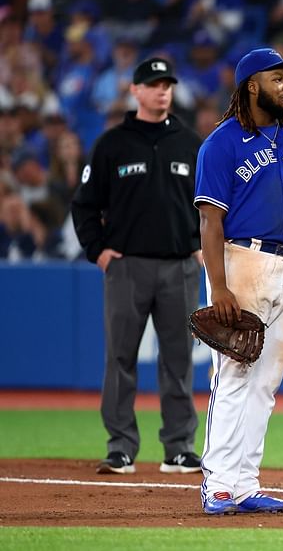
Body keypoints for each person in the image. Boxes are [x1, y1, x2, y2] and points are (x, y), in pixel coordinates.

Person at [194, 48, 283, 515]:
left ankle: (244, 483)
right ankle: (217, 482)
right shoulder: (221, 143)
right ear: (252, 86)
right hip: (243, 260)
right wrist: (219, 285)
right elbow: (210, 222)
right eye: (277, 78)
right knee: (233, 372)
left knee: (266, 381)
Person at [71, 58, 204, 475]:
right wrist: (99, 251)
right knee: (121, 357)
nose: (161, 91)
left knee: (179, 359)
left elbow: (211, 206)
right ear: (135, 91)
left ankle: (179, 447)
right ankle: (121, 447)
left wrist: (202, 247)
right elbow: (85, 205)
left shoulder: (191, 142)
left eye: (167, 84)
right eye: (153, 84)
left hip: (180, 266)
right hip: (127, 267)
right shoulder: (113, 144)